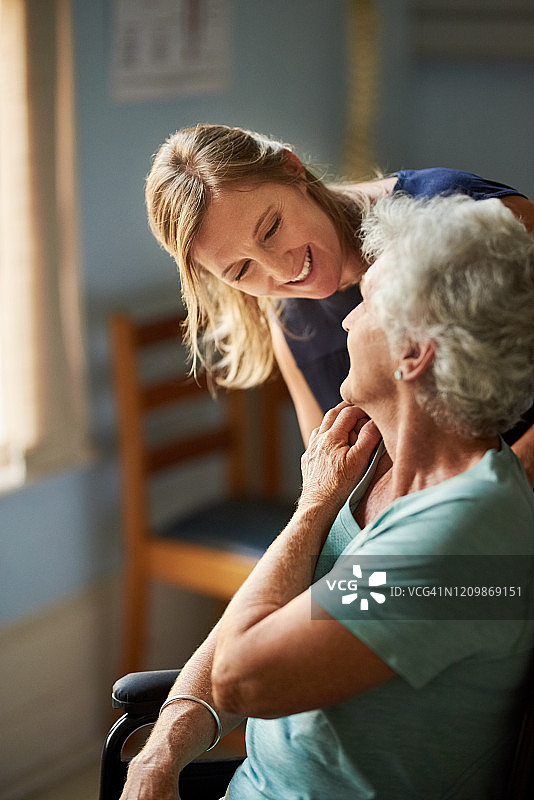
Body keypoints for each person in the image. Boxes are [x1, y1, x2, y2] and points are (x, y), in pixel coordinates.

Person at [120, 193, 534, 799]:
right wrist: (160, 753)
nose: (343, 320)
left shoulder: (457, 540)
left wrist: (311, 509)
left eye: (366, 303)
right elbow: (265, 622)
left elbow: (240, 677)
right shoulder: (365, 470)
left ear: (414, 353)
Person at [145, 123, 534, 485]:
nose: (283, 269)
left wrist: (497, 496)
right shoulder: (291, 324)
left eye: (272, 228)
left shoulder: (460, 211)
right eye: (243, 269)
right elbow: (334, 481)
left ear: (292, 169)